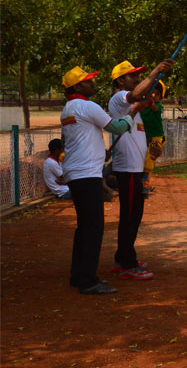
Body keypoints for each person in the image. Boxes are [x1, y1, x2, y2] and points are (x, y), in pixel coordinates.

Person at [60, 66, 139, 295]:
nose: (92, 84)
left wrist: (97, 151)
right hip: (87, 175)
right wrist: (133, 111)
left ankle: (79, 276)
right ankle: (87, 280)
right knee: (93, 229)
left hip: (76, 174)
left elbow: (78, 138)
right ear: (77, 87)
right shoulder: (87, 106)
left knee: (84, 228)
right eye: (87, 81)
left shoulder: (68, 109)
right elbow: (117, 126)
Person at [109, 59, 174, 281]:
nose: (136, 78)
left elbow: (145, 107)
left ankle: (125, 257)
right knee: (129, 216)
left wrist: (153, 150)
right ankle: (126, 263)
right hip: (127, 169)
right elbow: (137, 95)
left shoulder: (134, 107)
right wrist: (156, 70)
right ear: (120, 81)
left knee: (134, 215)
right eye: (132, 76)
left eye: (138, 75)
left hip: (135, 169)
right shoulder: (120, 99)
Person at [140, 81, 167, 195]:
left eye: (156, 94)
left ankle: (145, 181)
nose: (153, 96)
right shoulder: (142, 107)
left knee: (150, 158)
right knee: (143, 159)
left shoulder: (158, 106)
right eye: (151, 93)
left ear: (160, 97)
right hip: (145, 136)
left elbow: (155, 108)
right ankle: (144, 181)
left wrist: (150, 101)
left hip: (156, 137)